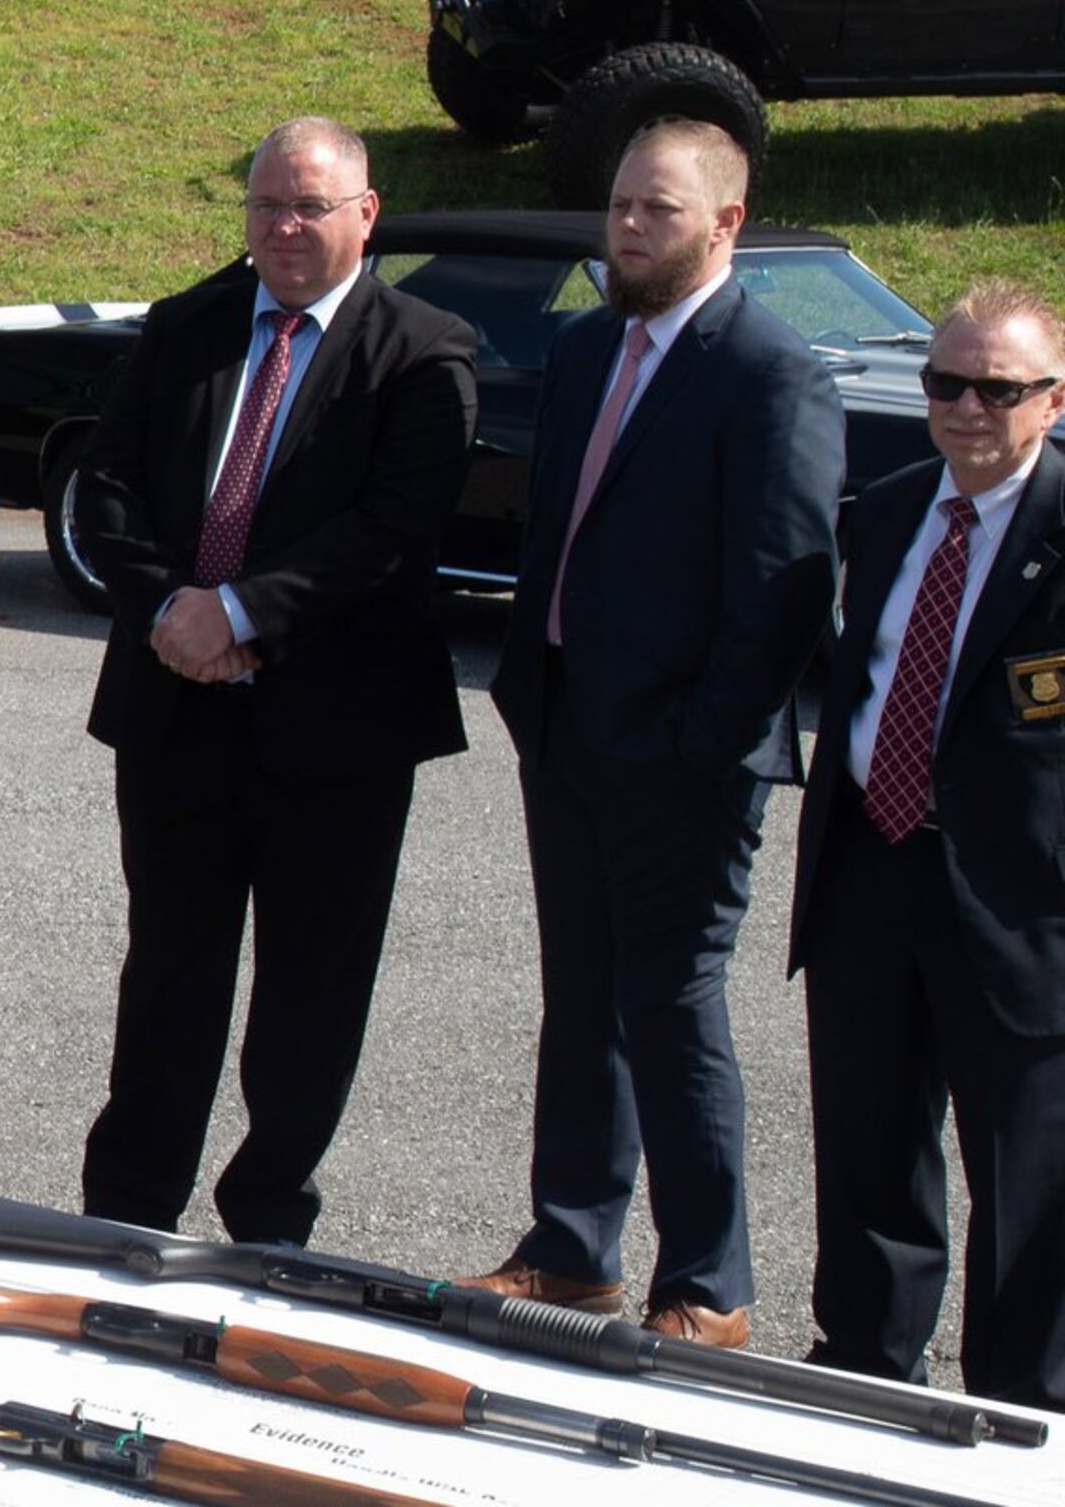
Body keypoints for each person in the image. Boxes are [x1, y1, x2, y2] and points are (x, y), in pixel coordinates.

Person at [73, 120, 479, 1244]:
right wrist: (172, 610)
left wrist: (243, 614)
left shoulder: (425, 349)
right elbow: (107, 491)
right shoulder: (187, 326)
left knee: (312, 991)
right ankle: (129, 1214)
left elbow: (392, 528)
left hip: (336, 730)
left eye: (310, 207)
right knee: (168, 975)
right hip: (177, 712)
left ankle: (267, 1222)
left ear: (367, 213)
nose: (285, 228)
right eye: (266, 207)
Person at [472, 118, 843, 1345]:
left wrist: (701, 745)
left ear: (726, 224)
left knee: (672, 1007)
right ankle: (572, 1250)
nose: (627, 227)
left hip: (686, 760)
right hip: (567, 726)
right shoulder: (588, 346)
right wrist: (533, 692)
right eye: (621, 203)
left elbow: (784, 588)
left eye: (658, 211)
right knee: (581, 997)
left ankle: (709, 1286)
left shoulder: (771, 373)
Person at [790, 279, 1065, 1410]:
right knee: (867, 1142)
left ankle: (1022, 1406)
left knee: (1027, 1174)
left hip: (1022, 899)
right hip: (872, 864)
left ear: (1053, 400)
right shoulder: (892, 505)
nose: (965, 409)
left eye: (996, 390)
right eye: (944, 384)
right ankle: (865, 1371)